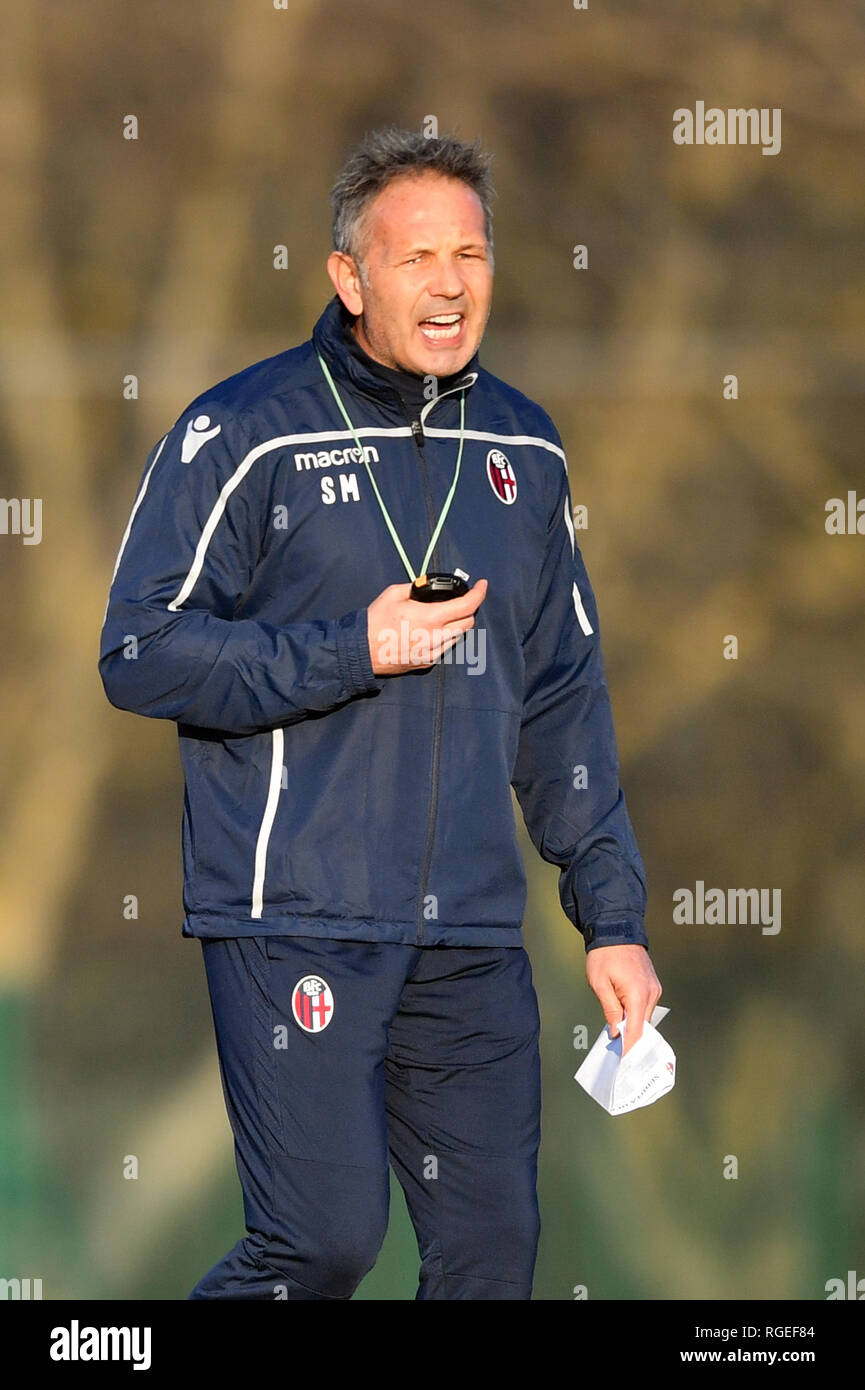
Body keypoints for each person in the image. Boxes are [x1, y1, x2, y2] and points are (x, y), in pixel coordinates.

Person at [99, 126, 662, 1301]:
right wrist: (347, 649)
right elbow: (139, 651)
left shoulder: (527, 446)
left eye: (471, 253)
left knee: (492, 1257)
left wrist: (610, 915)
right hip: (294, 917)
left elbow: (561, 695)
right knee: (322, 1243)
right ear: (349, 277)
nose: (450, 283)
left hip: (470, 935)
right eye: (416, 258)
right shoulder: (246, 434)